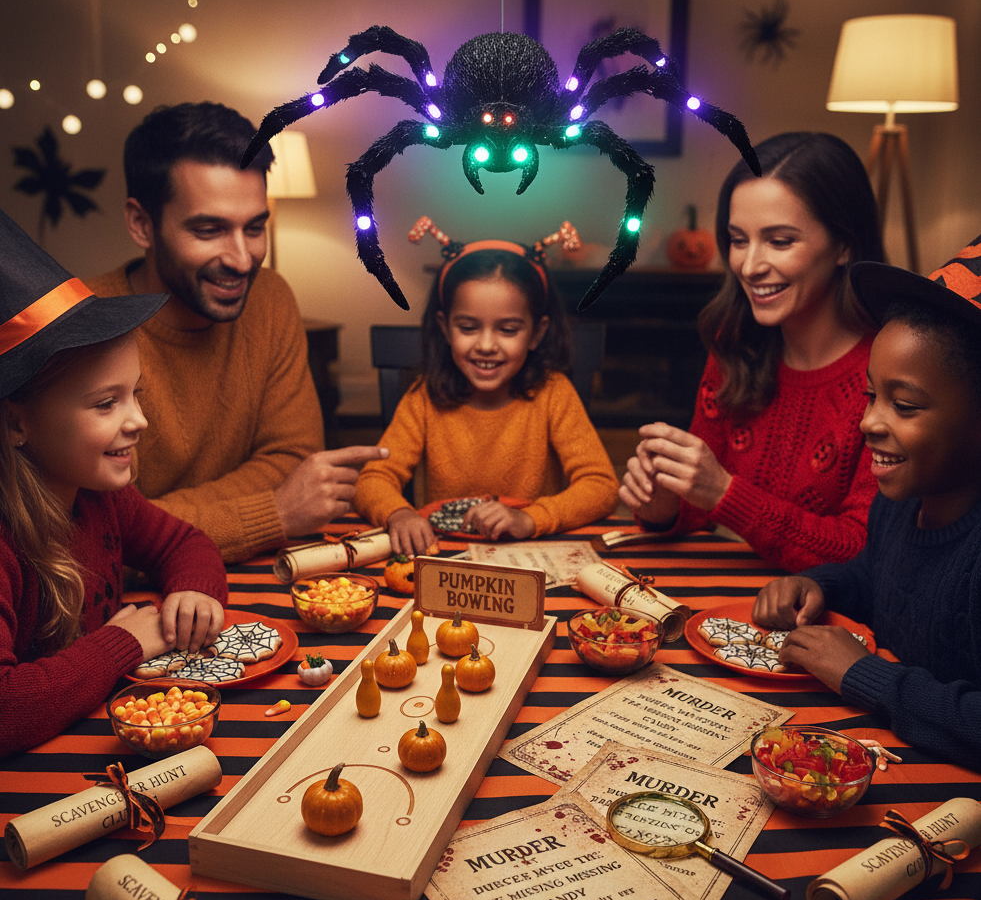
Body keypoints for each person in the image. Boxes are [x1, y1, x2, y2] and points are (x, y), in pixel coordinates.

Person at [85, 102, 387, 564]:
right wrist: (274, 512)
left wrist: (155, 521)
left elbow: (292, 458)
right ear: (141, 224)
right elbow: (97, 539)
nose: (243, 259)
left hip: (254, 578)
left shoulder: (270, 298)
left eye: (255, 227)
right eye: (209, 230)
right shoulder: (87, 323)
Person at [0, 208, 228, 757]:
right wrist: (123, 644)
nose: (137, 421)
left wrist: (195, 589)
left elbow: (184, 543)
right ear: (16, 422)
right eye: (107, 403)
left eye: (136, 394)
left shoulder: (105, 499)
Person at [752, 237, 981, 770]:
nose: (869, 423)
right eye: (871, 396)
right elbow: (883, 577)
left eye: (903, 405)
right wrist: (820, 584)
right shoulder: (901, 506)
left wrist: (863, 676)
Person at [619, 132, 885, 572]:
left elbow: (862, 551)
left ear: (844, 245)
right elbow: (702, 507)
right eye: (738, 240)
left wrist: (725, 492)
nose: (748, 264)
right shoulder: (734, 340)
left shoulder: (888, 372)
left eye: (780, 241)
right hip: (728, 600)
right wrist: (664, 503)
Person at [354, 226, 619, 556]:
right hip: (443, 557)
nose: (486, 345)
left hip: (528, 553)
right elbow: (372, 479)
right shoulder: (424, 397)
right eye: (468, 328)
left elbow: (602, 486)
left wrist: (530, 518)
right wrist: (399, 513)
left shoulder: (554, 394)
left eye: (508, 329)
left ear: (537, 333)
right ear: (445, 328)